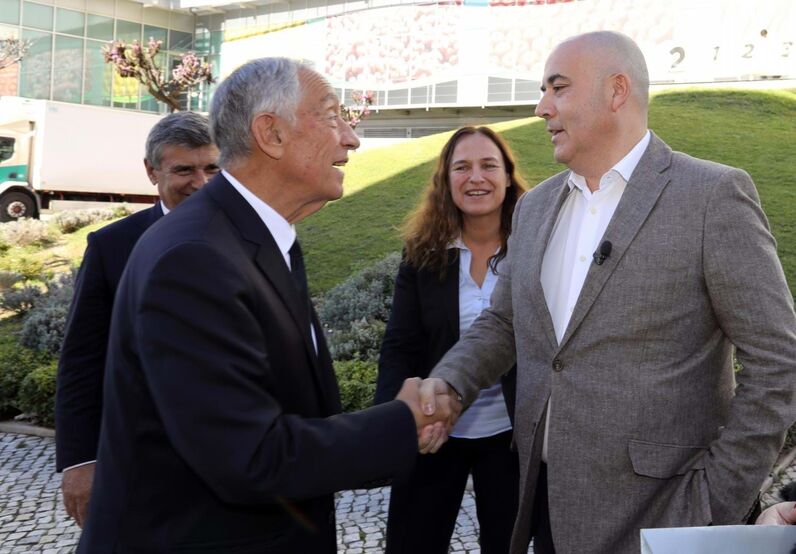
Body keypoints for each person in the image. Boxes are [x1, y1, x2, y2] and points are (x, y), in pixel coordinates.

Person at [418, 31, 796, 554]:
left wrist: (715, 499)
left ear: (617, 91)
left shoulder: (712, 196)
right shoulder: (534, 207)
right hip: (545, 506)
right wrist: (451, 382)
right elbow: (505, 322)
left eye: (558, 88)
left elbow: (778, 361)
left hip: (667, 515)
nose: (541, 107)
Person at [76, 57, 459, 553]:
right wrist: (401, 422)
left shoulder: (248, 238)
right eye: (332, 116)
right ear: (271, 134)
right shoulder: (195, 258)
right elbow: (250, 456)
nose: (352, 139)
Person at [55, 111, 220, 527]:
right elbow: (82, 358)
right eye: (184, 170)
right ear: (151, 171)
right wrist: (80, 461)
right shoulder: (111, 247)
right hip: (142, 462)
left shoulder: (253, 238)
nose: (200, 183)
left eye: (212, 168)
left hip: (233, 458)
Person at [375, 126, 525, 553]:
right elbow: (400, 345)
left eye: (488, 165)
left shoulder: (535, 247)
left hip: (512, 436)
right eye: (462, 167)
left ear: (507, 176)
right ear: (446, 179)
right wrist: (395, 424)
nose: (475, 177)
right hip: (435, 429)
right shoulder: (421, 253)